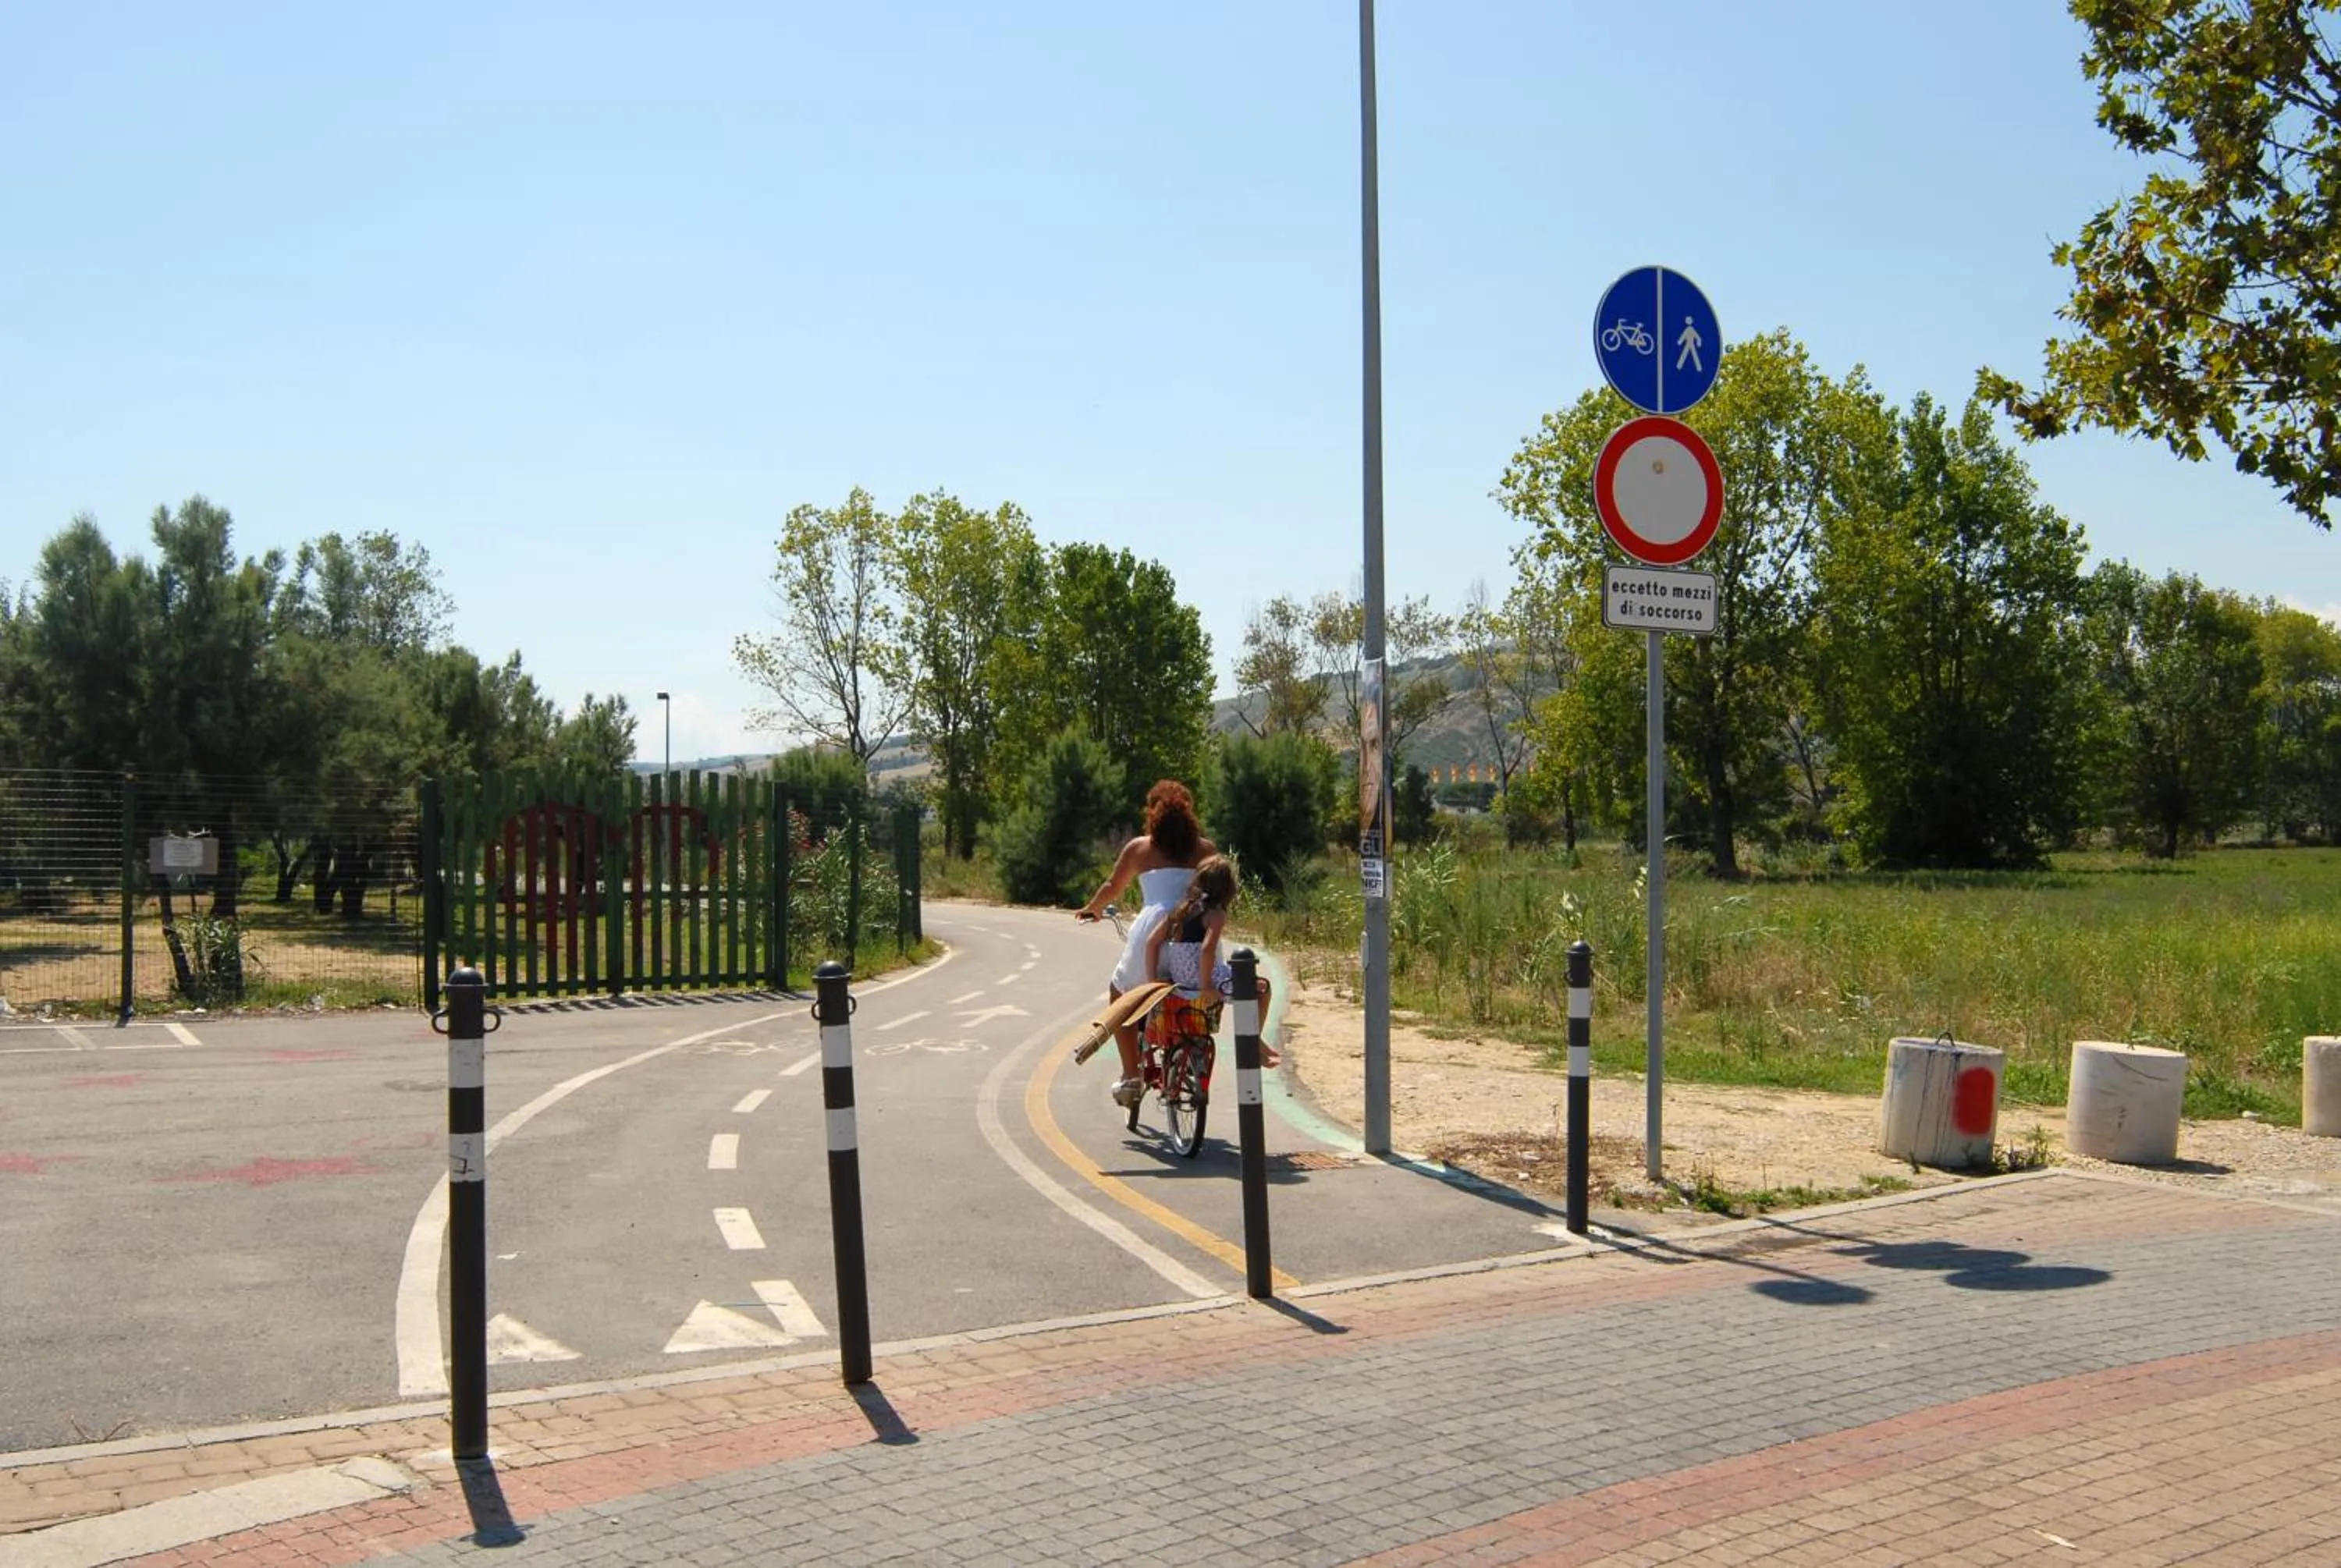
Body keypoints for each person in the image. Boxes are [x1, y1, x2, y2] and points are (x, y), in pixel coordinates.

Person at [1075, 779, 1217, 1106]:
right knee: (1190, 991)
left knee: (1121, 993)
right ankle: (1190, 1057)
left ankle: (1132, 1076)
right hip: (1194, 931)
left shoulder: (1140, 848)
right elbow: (1220, 888)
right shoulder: (1206, 850)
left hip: (1152, 932)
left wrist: (1092, 909)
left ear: (1152, 813)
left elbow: (1114, 885)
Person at [1142, 853, 1278, 1068]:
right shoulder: (1216, 914)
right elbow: (1207, 950)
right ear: (1228, 889)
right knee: (1262, 989)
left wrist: (1152, 983)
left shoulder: (1180, 909)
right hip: (1204, 977)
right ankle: (1253, 1040)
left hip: (1180, 979)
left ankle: (1254, 1041)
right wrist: (1206, 986)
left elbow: (1151, 943)